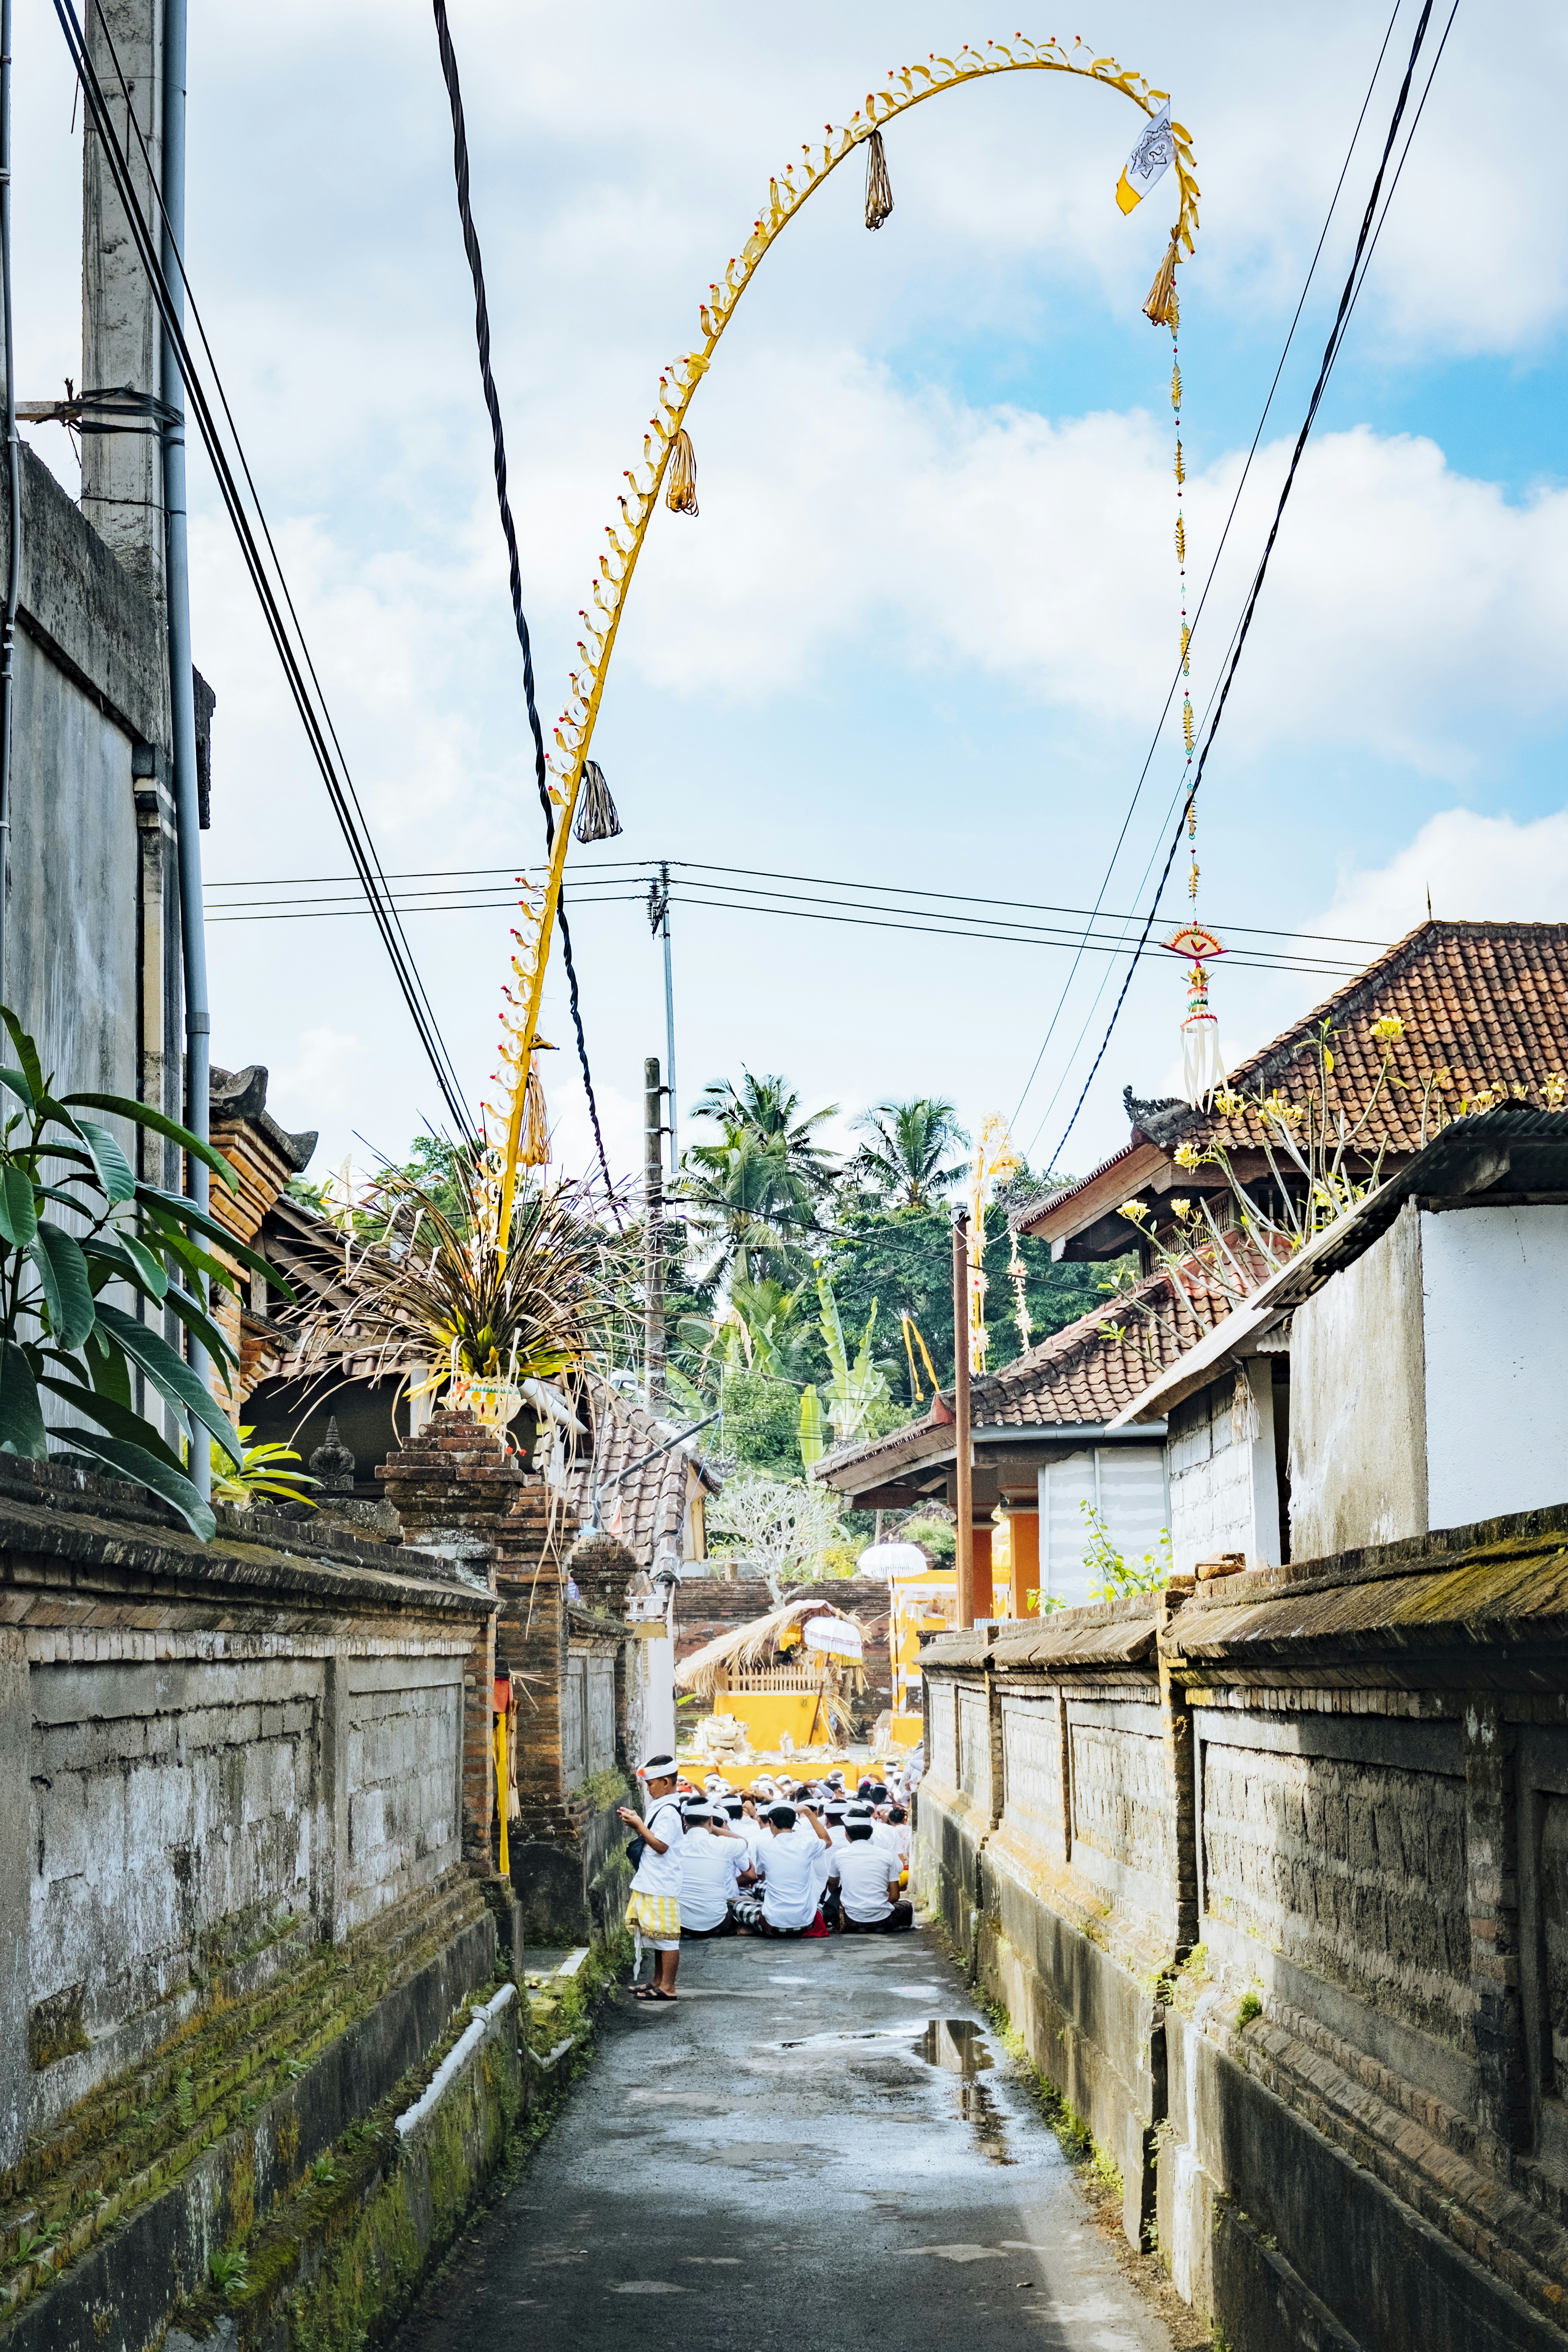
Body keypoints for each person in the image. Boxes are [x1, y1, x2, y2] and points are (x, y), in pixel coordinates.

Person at [617, 1755, 685, 2000]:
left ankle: (668, 1987)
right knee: (658, 1935)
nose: (649, 1789)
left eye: (652, 1784)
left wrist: (638, 1825)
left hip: (662, 1882)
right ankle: (658, 1982)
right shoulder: (664, 1805)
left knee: (667, 1937)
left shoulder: (668, 1811)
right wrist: (638, 1821)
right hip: (654, 1879)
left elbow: (661, 1845)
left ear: (666, 1782)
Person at [734, 1803, 830, 1936]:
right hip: (806, 1923)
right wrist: (808, 1813)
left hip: (774, 1925)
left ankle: (757, 1927)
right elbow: (827, 1841)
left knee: (738, 1906)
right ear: (794, 1823)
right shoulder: (807, 1844)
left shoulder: (764, 1846)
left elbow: (761, 1877)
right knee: (818, 1906)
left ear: (771, 1822)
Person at [680, 1804, 751, 1938]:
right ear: (710, 1821)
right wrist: (714, 1829)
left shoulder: (675, 1844)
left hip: (681, 1923)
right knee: (747, 1904)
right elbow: (743, 1842)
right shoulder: (722, 1844)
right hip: (717, 1923)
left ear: (685, 1820)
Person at [831, 1820, 913, 1933]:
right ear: (870, 1834)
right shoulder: (887, 1855)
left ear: (847, 1834)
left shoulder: (839, 1855)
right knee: (907, 1906)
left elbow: (833, 1887)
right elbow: (895, 1896)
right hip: (883, 1919)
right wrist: (878, 1904)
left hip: (852, 1919)